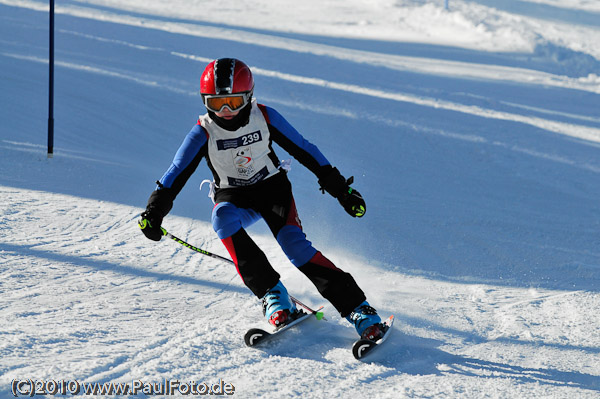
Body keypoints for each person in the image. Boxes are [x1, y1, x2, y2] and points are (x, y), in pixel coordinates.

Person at [139, 58, 383, 340]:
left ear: (249, 97)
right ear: (205, 102)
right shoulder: (203, 132)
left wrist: (342, 190)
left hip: (272, 190)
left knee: (296, 247)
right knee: (222, 218)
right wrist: (154, 211)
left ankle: (359, 309)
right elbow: (176, 172)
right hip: (233, 195)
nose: (227, 111)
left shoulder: (264, 117)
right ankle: (273, 295)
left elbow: (305, 149)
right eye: (217, 104)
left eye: (233, 101)